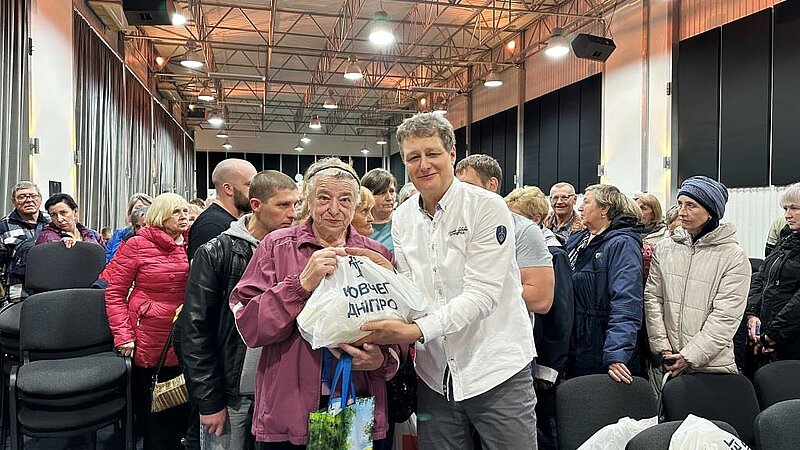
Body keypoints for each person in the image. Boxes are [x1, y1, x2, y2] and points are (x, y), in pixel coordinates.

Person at [359, 113, 538, 450]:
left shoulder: (487, 207)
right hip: (435, 376)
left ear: (452, 154)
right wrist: (385, 276)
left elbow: (482, 295)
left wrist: (416, 331)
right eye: (413, 157)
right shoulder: (403, 217)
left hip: (495, 370)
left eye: (432, 153)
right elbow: (412, 290)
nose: (424, 164)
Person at [230, 158, 402, 448]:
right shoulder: (275, 246)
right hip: (288, 409)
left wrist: (383, 359)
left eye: (345, 199)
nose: (334, 209)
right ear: (308, 201)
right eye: (324, 198)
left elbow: (399, 326)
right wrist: (300, 285)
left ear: (356, 203)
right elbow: (250, 327)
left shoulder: (376, 255)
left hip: (356, 402)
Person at [179, 171, 300, 450]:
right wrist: (209, 400)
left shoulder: (297, 251)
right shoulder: (216, 252)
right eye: (283, 205)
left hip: (279, 390)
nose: (293, 214)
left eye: (296, 204)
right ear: (256, 205)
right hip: (233, 392)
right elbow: (195, 331)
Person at [104, 193, 192, 449]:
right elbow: (115, 293)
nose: (184, 216)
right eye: (176, 212)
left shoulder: (191, 242)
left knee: (182, 406)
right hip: (149, 336)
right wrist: (123, 335)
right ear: (160, 216)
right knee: (153, 410)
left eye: (185, 211)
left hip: (183, 333)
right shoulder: (137, 244)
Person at [645, 176, 750, 378]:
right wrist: (663, 348)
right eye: (680, 204)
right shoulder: (665, 249)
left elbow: (725, 317)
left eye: (691, 205)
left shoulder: (733, 257)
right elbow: (653, 299)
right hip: (666, 363)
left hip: (711, 366)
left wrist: (689, 356)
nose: (682, 212)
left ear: (711, 211)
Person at [505, 186, 573, 450]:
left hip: (539, 358)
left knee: (541, 430)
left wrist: (548, 367)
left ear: (534, 220)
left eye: (516, 217)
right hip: (520, 351)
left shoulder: (553, 253)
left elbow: (560, 316)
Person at [455, 154, 554, 315]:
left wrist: (477, 291)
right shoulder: (453, 228)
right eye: (457, 188)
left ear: (492, 184)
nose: (461, 194)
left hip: (502, 327)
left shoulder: (523, 229)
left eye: (468, 186)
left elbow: (540, 299)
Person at [566, 184, 643, 383]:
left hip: (600, 348)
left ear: (604, 209)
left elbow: (626, 301)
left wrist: (617, 352)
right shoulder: (578, 240)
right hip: (577, 345)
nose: (580, 207)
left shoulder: (622, 244)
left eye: (586, 202)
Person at [746, 182, 800, 364]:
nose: (787, 215)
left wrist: (773, 334)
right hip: (767, 337)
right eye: (785, 208)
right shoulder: (785, 241)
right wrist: (752, 314)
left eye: (795, 208)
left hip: (791, 343)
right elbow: (761, 277)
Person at [188, 158, 257, 260]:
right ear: (228, 188)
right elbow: (201, 267)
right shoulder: (211, 225)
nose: (255, 191)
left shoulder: (227, 221)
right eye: (249, 185)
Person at [0, 181, 51, 301]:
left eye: (33, 196)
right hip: (18, 294)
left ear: (40, 199)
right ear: (13, 201)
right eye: (22, 197)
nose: (28, 200)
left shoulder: (52, 221)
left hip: (51, 290)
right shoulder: (3, 226)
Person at [35, 193, 103, 247]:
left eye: (63, 213)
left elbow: (105, 256)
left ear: (75, 212)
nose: (59, 219)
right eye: (53, 215)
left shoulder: (93, 235)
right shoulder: (47, 237)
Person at [106, 193, 153, 263]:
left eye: (146, 208)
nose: (141, 211)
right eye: (138, 208)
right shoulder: (119, 234)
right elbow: (107, 258)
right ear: (130, 213)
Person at [361, 168, 397, 251]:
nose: (389, 198)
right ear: (368, 195)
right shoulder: (358, 225)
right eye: (382, 193)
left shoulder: (404, 221)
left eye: (392, 191)